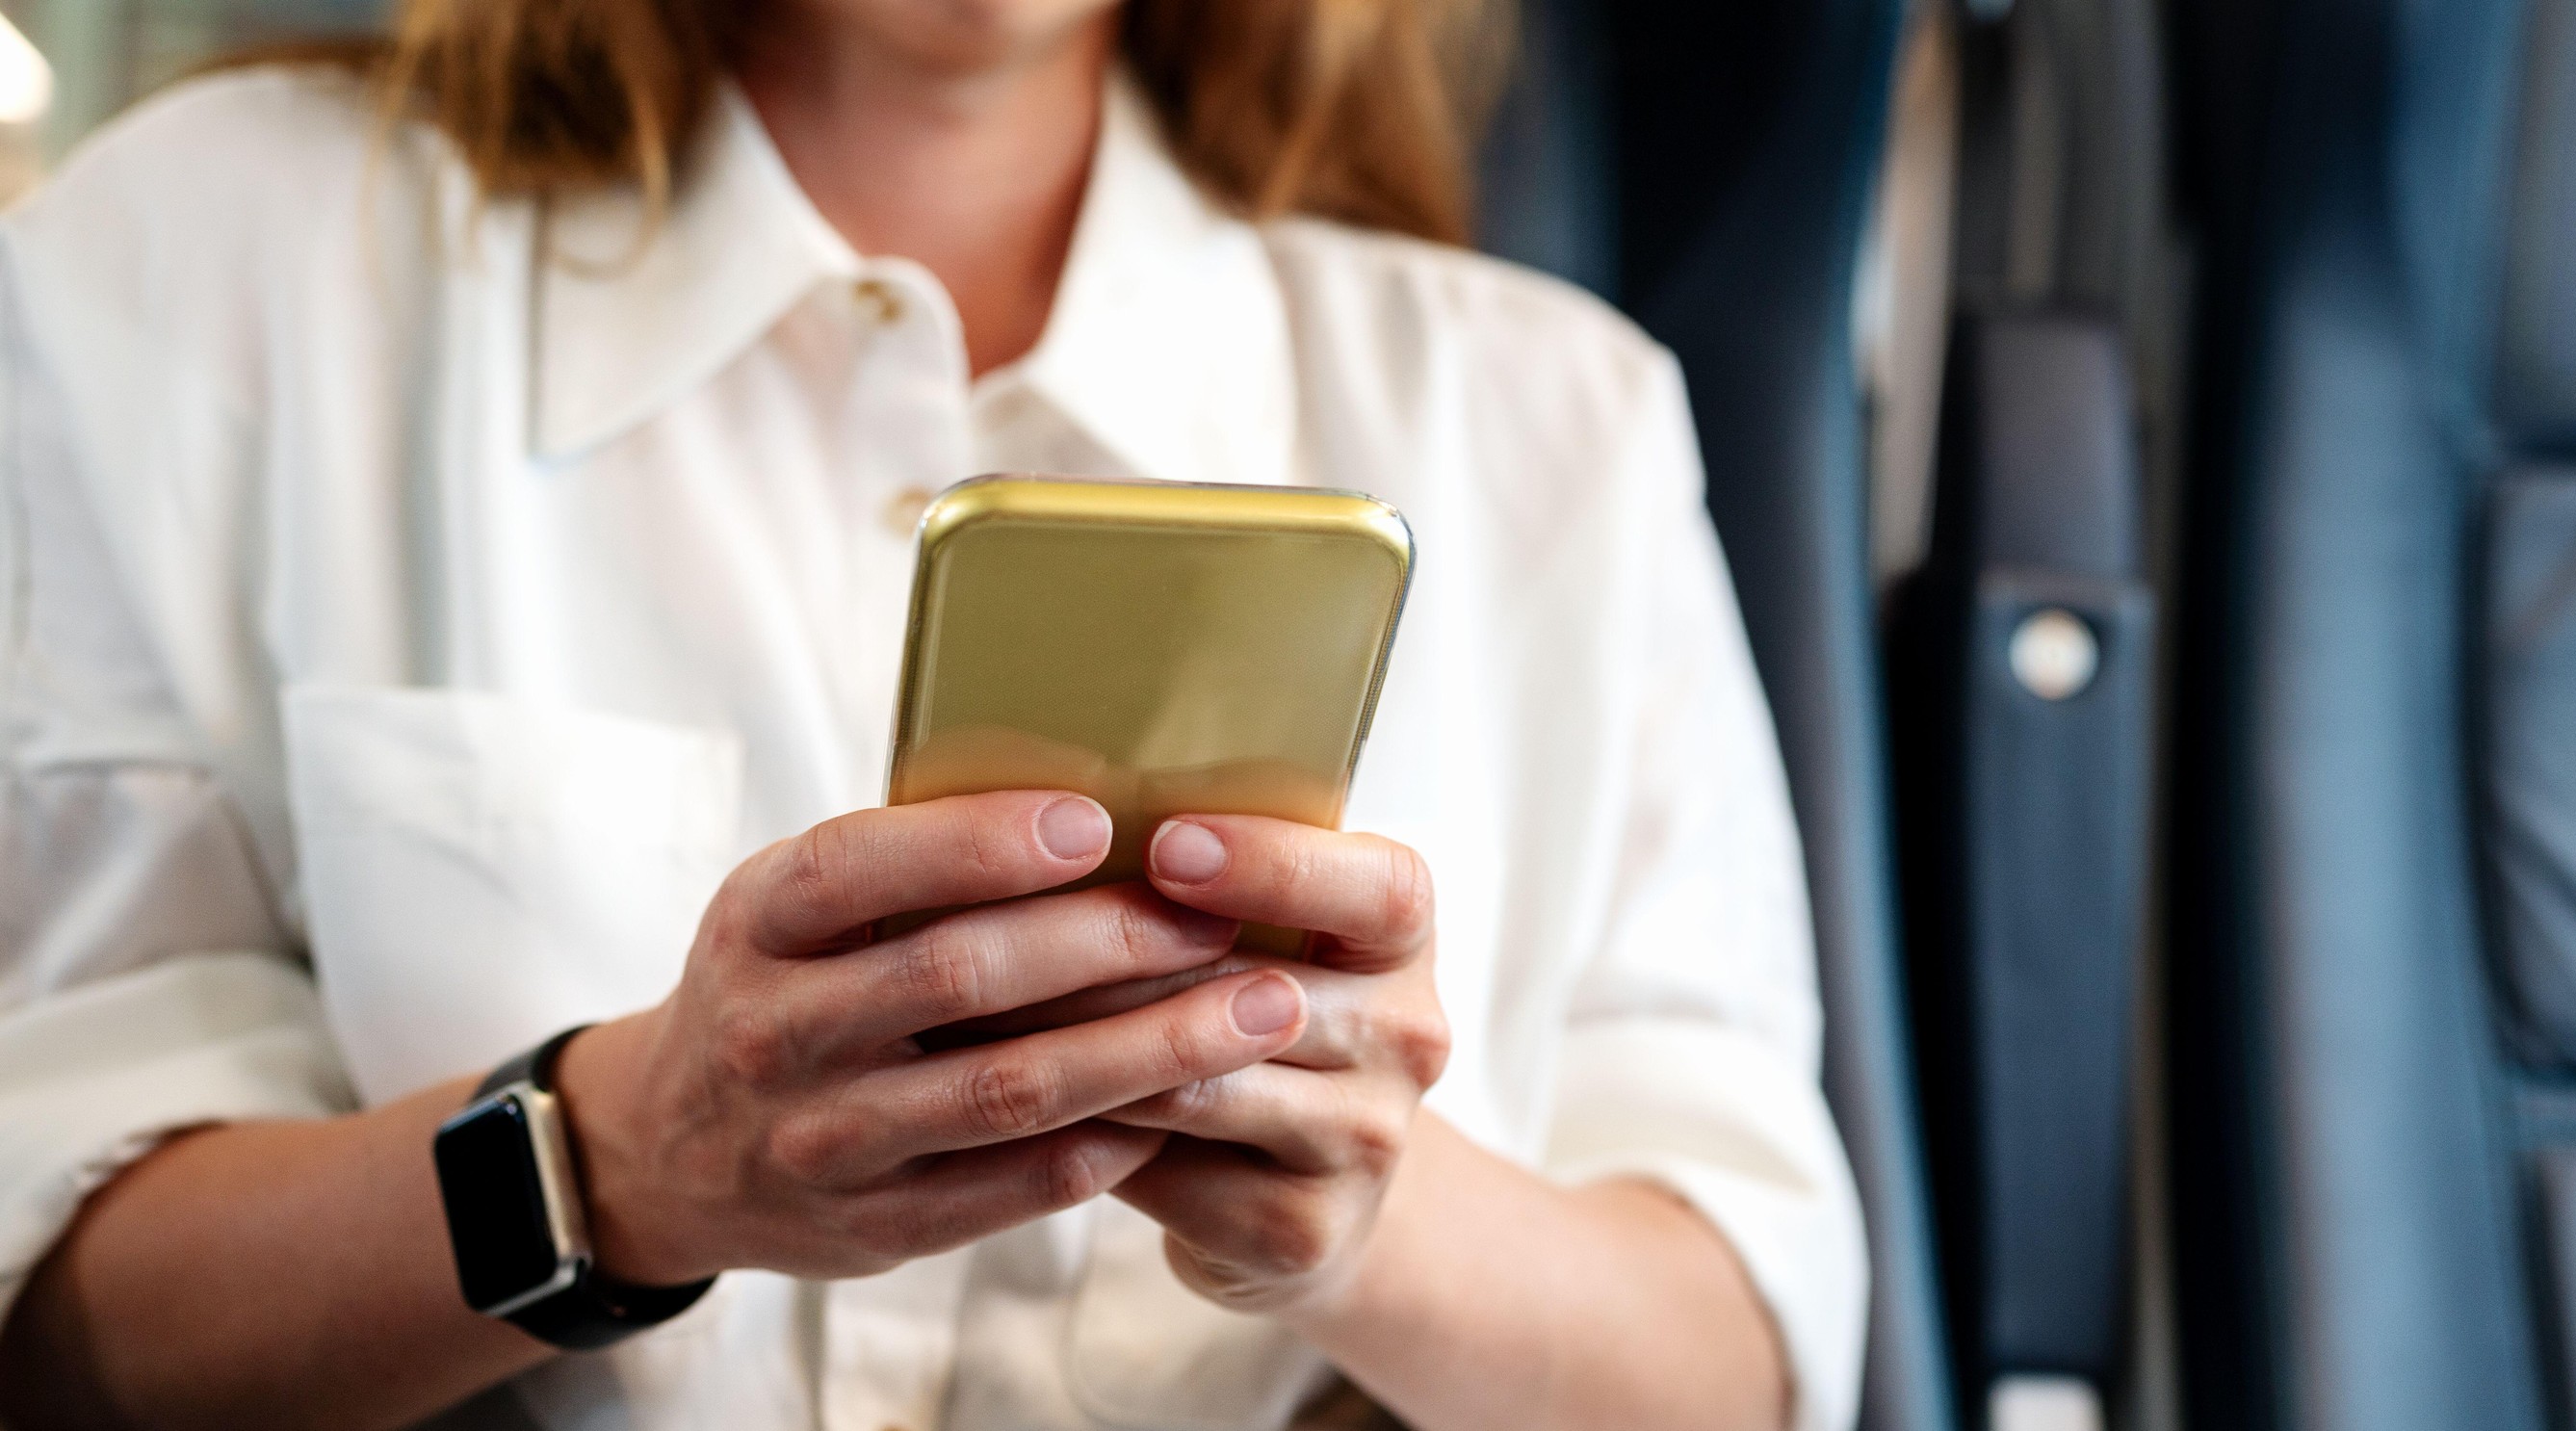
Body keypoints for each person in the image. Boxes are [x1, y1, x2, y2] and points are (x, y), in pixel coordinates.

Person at [0, 0, 1866, 1427]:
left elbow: (1742, 1356)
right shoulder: (193, 269)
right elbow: (53, 1320)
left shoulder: (1549, 422)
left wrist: (1368, 1222)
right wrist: (620, 1158)